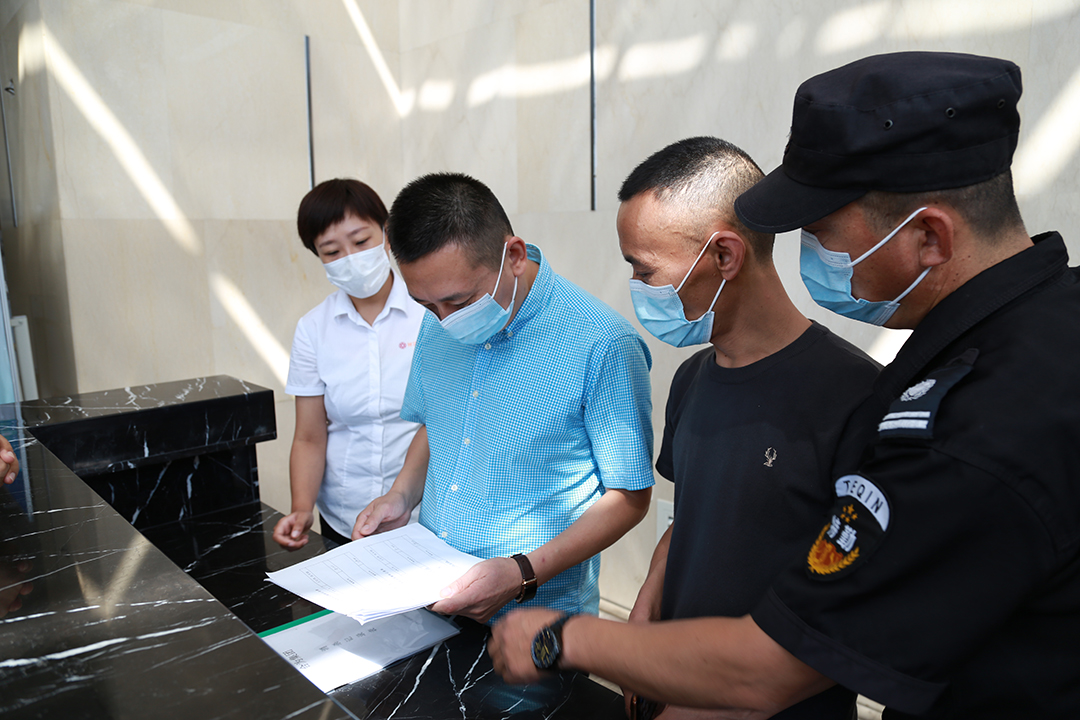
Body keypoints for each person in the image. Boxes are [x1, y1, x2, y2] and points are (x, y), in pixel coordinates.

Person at [489, 51, 1080, 720]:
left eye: (822, 232)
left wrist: (565, 639)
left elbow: (780, 664)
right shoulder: (1034, 333)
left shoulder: (969, 420)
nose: (810, 252)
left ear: (929, 238)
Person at [616, 136, 879, 720]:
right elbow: (691, 520)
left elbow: (851, 613)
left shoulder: (855, 397)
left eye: (644, 270)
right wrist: (643, 620)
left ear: (725, 256)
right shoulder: (691, 379)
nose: (638, 288)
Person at [352, 172, 655, 624]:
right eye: (427, 305)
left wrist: (521, 573)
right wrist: (401, 495)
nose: (444, 319)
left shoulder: (602, 344)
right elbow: (439, 426)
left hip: (537, 618)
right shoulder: (438, 319)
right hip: (431, 596)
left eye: (460, 302)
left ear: (513, 255)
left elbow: (629, 497)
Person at [272, 179, 425, 549]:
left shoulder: (430, 312)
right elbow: (310, 436)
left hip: (424, 512)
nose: (351, 258)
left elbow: (443, 419)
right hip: (345, 516)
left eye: (360, 241)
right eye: (332, 251)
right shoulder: (313, 329)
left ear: (386, 233)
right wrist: (301, 508)